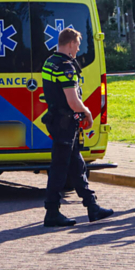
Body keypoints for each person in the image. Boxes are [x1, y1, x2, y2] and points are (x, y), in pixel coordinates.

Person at [40, 28, 114, 228]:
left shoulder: (49, 63)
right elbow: (72, 100)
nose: (78, 49)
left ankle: (92, 207)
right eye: (78, 44)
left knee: (76, 165)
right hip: (65, 123)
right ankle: (52, 211)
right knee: (59, 168)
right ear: (71, 43)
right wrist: (87, 112)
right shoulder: (65, 67)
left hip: (57, 121)